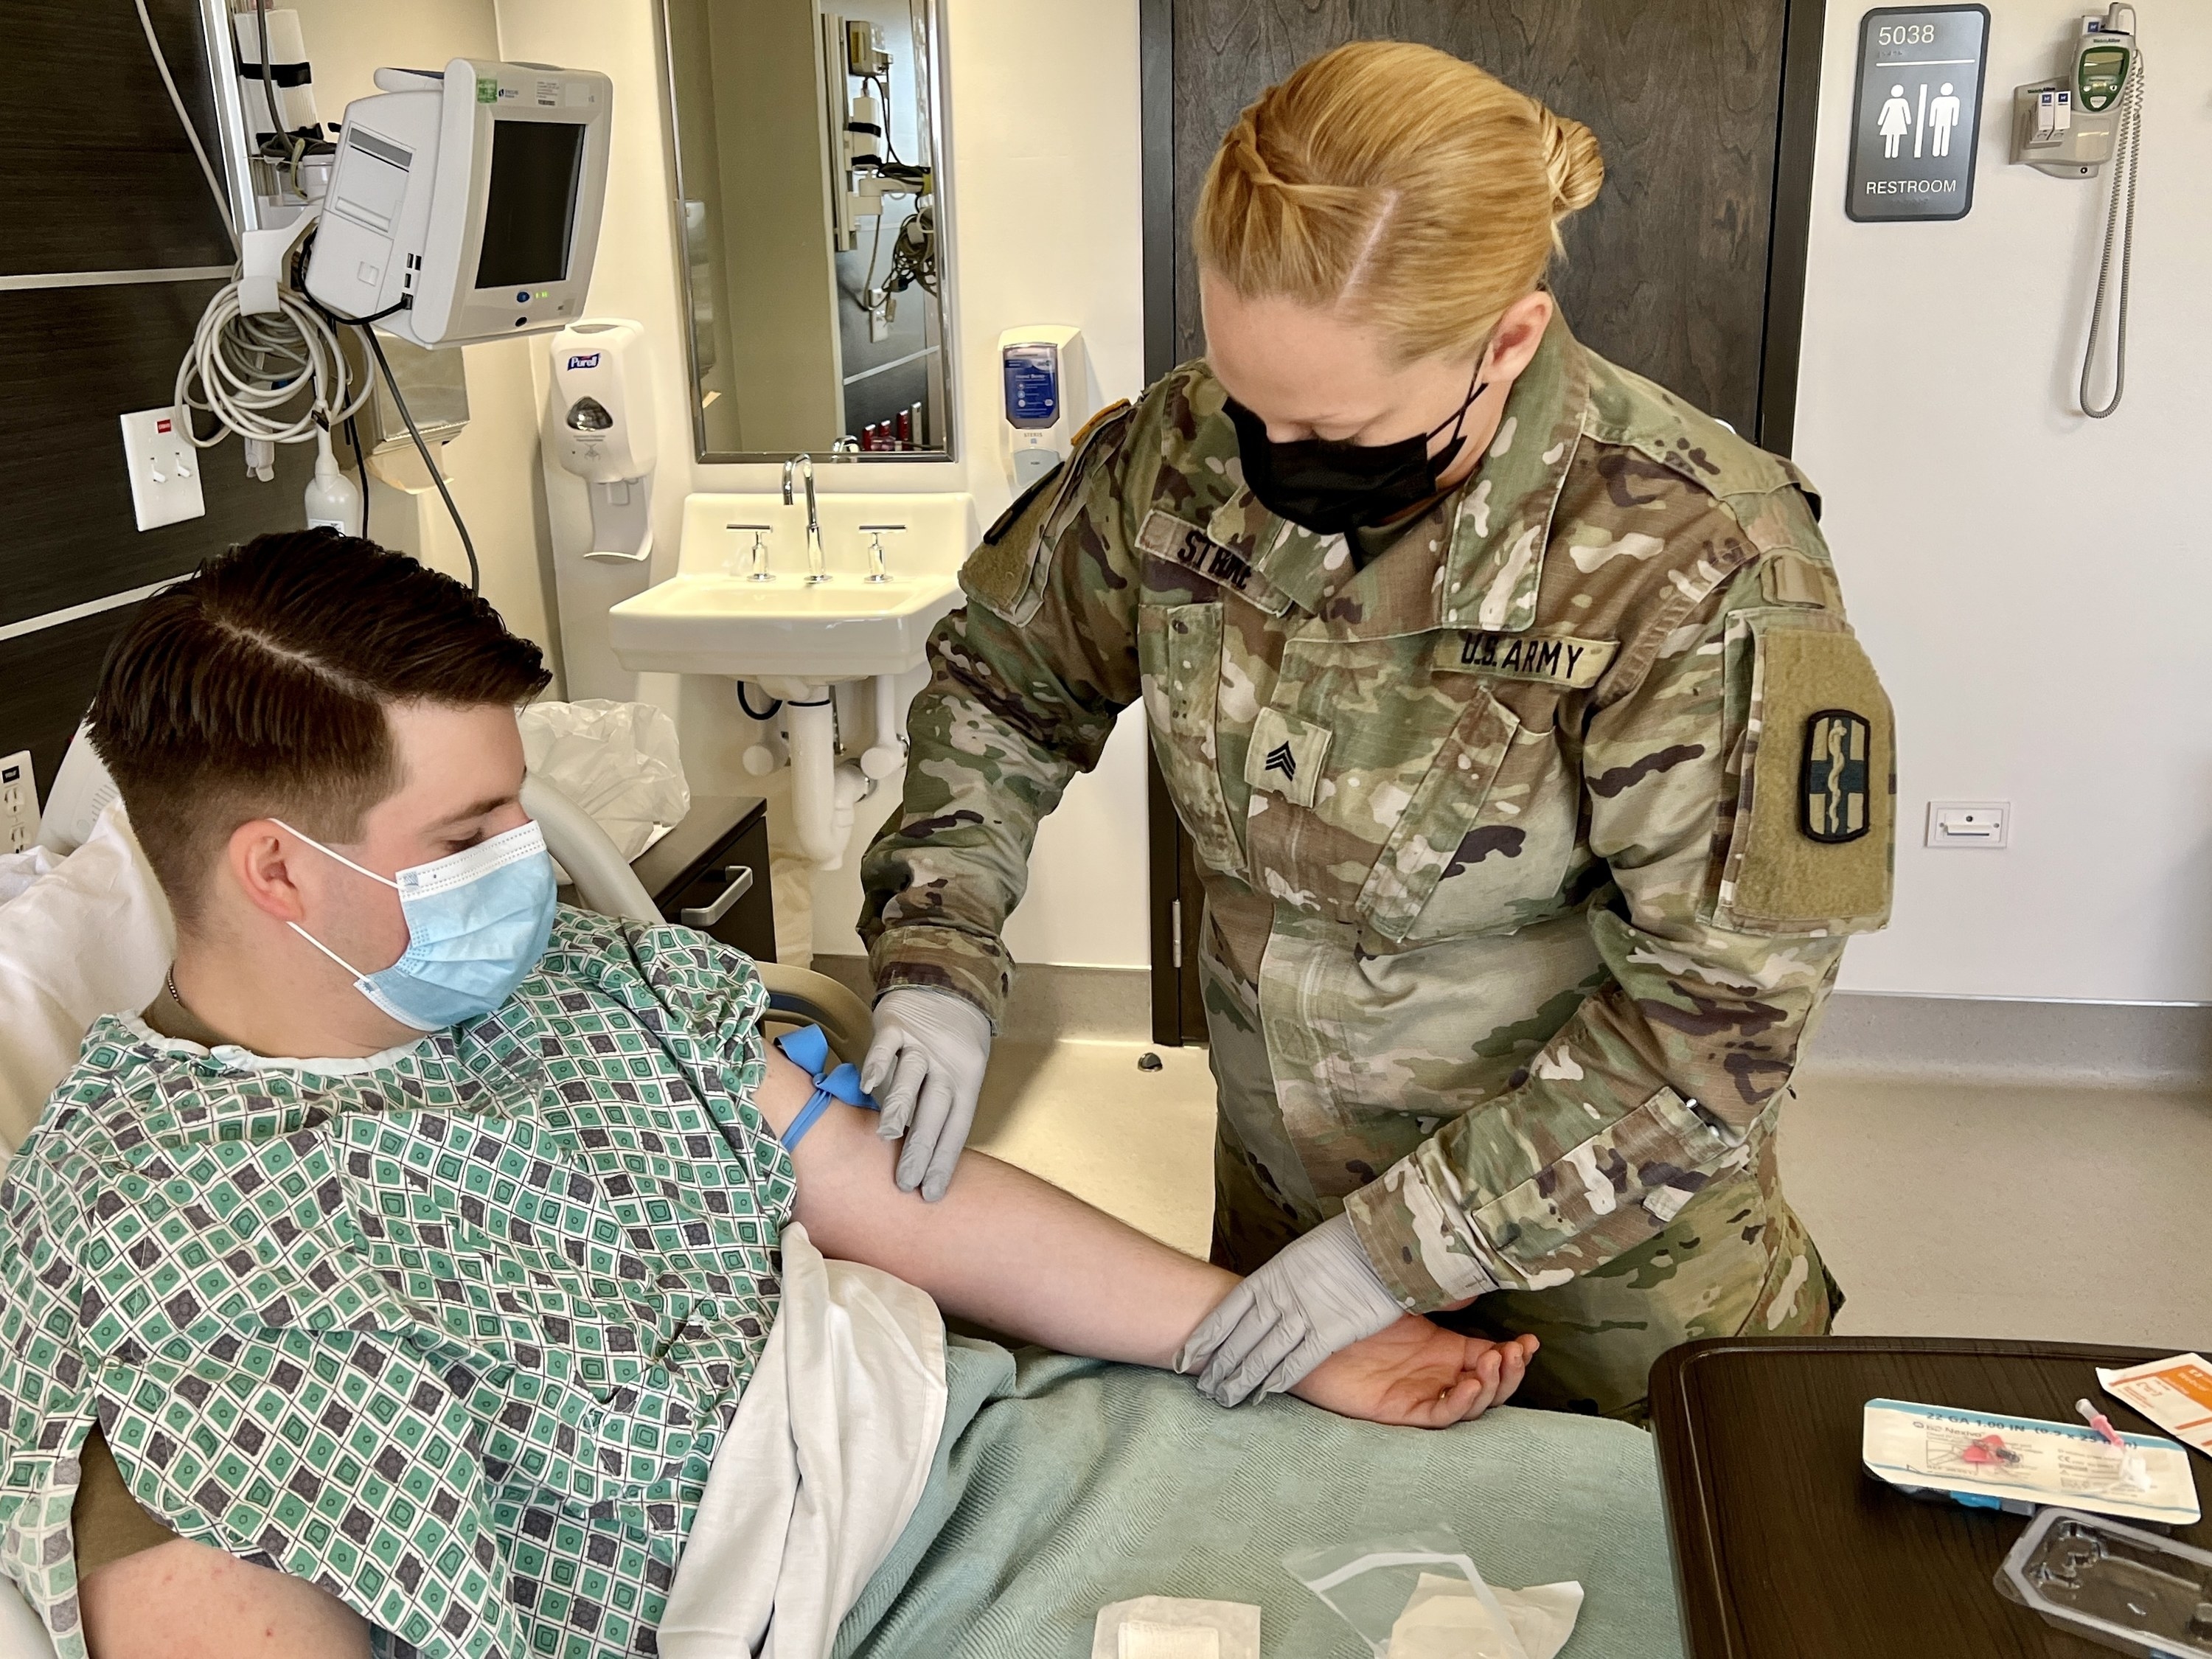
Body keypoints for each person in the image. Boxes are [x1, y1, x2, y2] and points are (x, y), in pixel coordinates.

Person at [0, 532, 1545, 1659]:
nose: (523, 867)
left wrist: (1264, 1339)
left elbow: (884, 1196)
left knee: (1582, 1517)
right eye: (467, 833)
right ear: (279, 868)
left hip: (966, 1434)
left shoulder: (577, 985)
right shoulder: (164, 1244)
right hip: (831, 1608)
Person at [858, 41, 1895, 1422]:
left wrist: (1389, 1254)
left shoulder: (1703, 557)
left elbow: (1719, 1025)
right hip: (1281, 1217)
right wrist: (938, 944)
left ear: (1508, 342)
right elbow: (1004, 684)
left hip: (1610, 1273)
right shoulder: (1176, 456)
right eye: (1250, 404)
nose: (1274, 465)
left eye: (1335, 429)